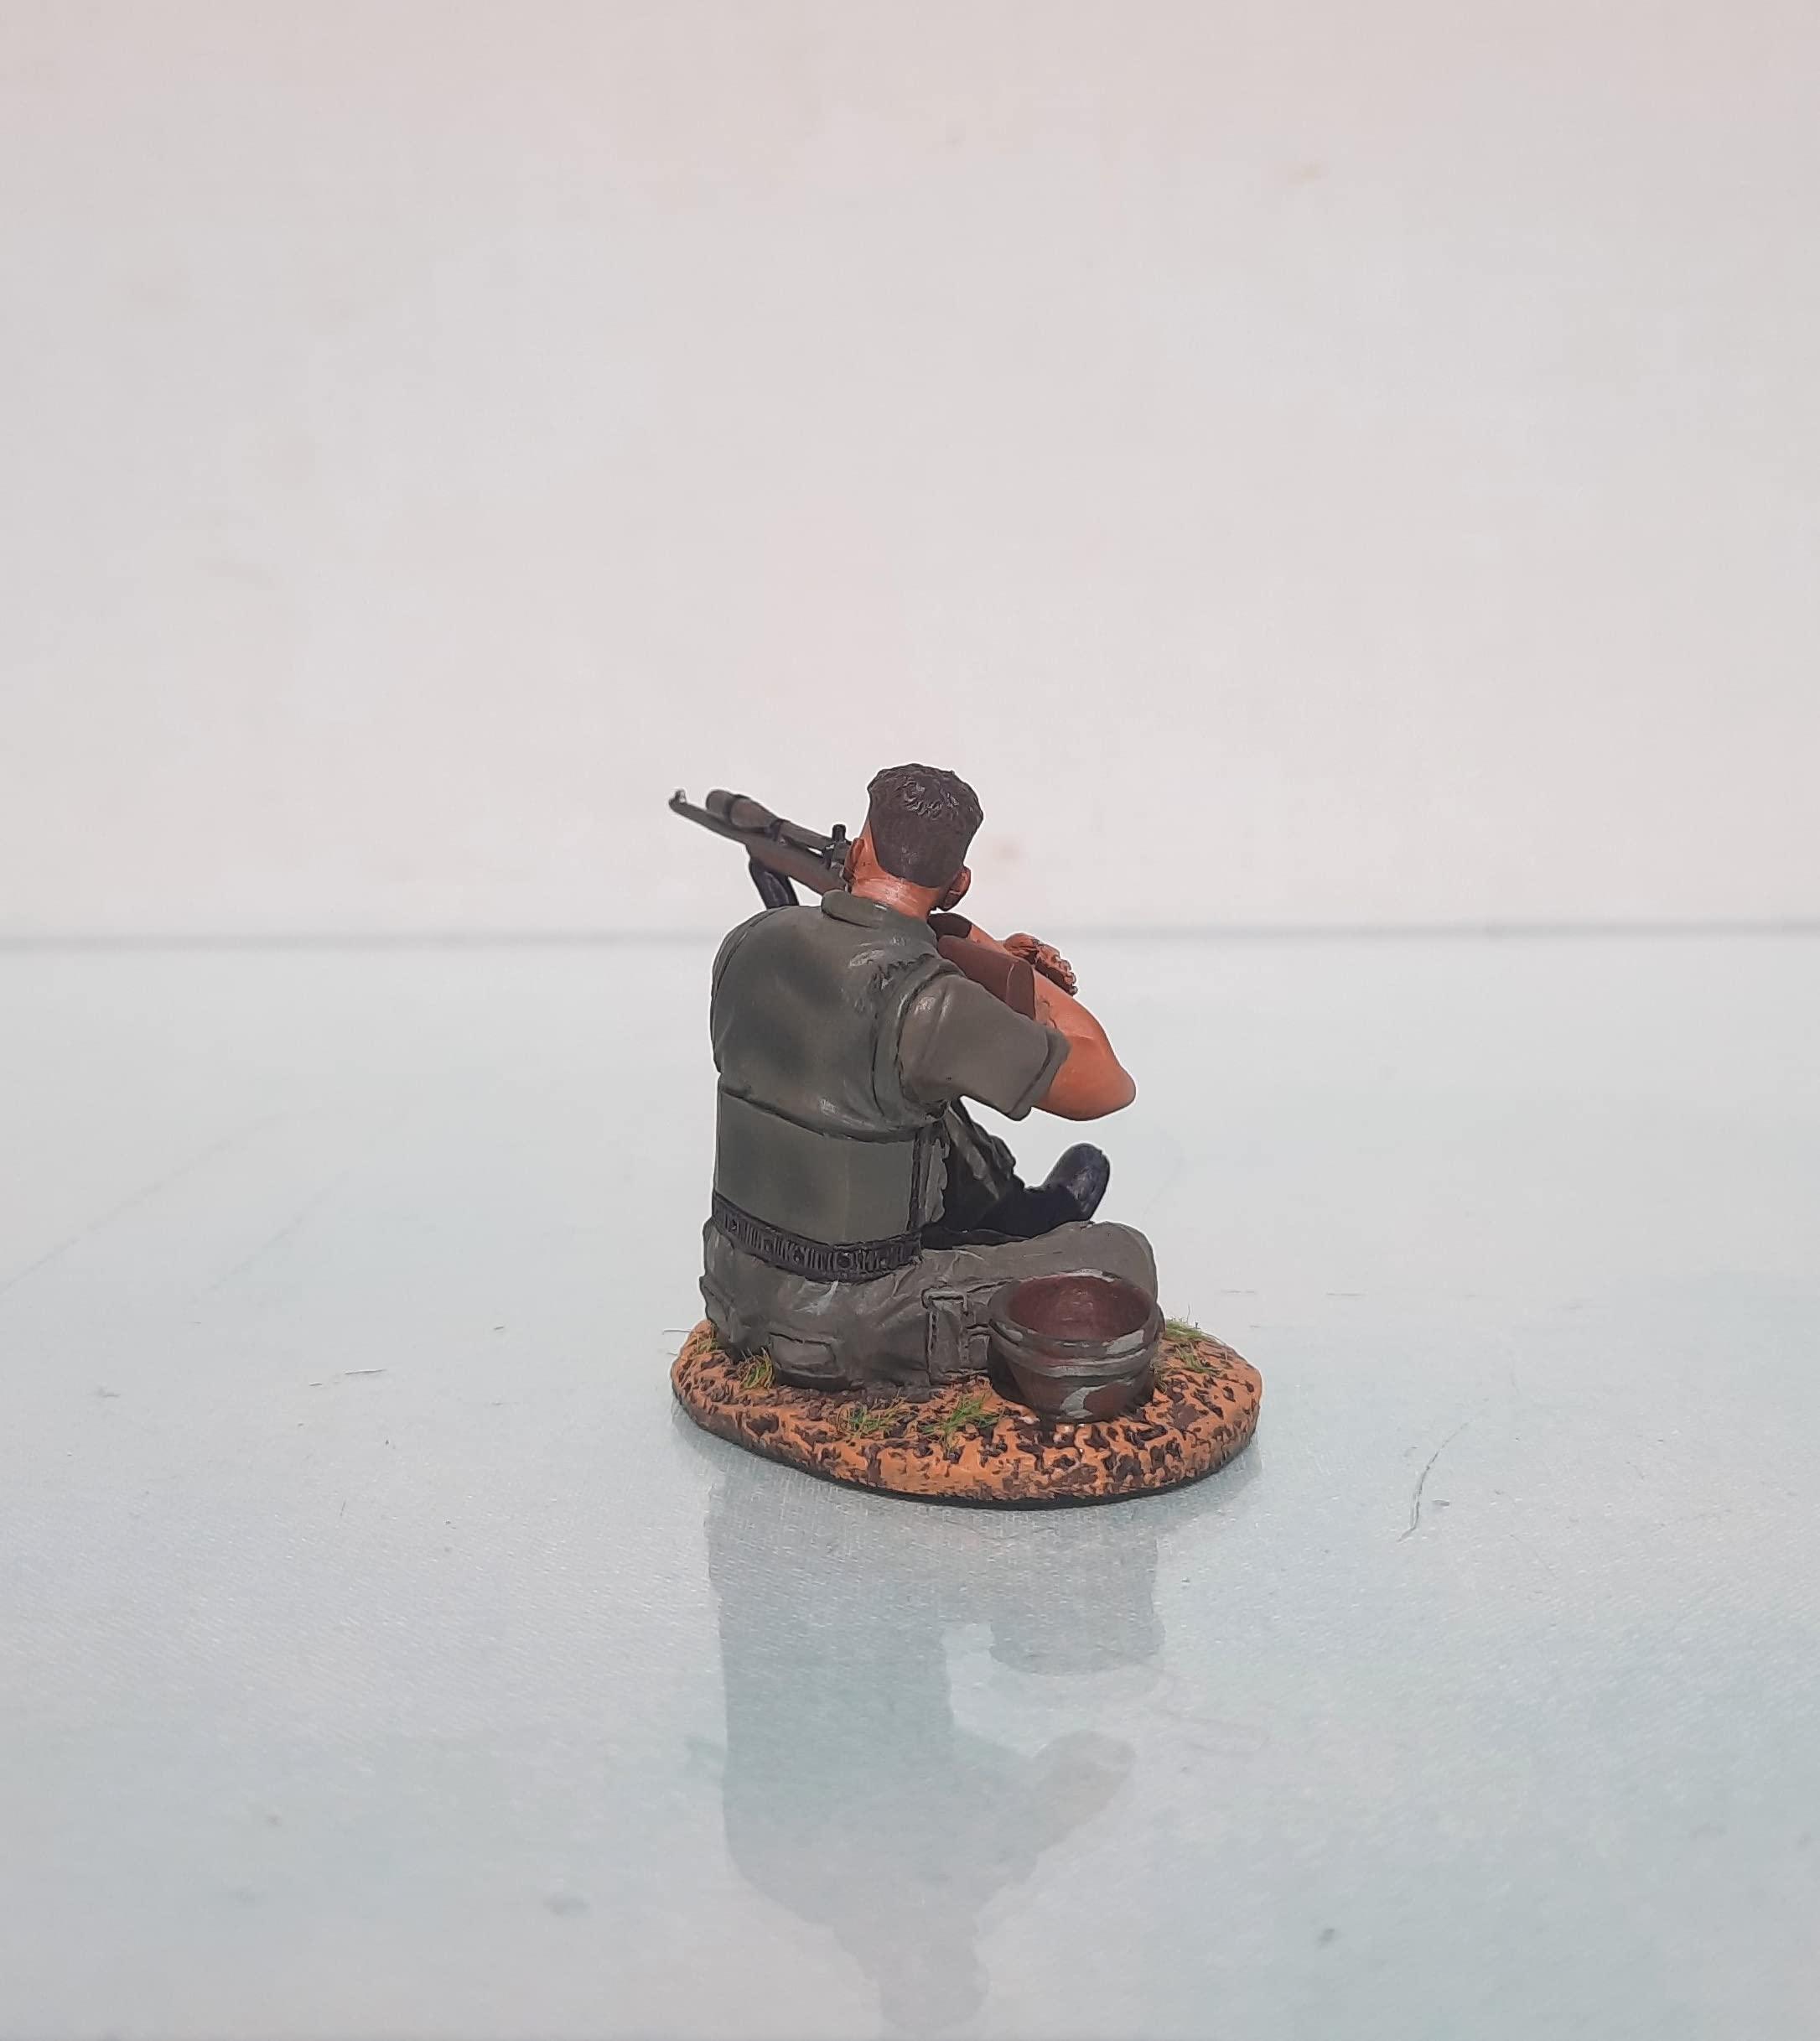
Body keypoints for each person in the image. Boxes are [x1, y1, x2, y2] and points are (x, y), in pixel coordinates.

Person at [701, 763, 1155, 1393]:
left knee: (909, 1096)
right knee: (1123, 1255)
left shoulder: (747, 941)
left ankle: (1014, 1215)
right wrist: (1016, 972)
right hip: (851, 1322)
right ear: (959, 884)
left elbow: (840, 1042)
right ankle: (1013, 1234)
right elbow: (1108, 1085)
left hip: (731, 1281)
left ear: (860, 849)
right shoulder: (935, 1003)